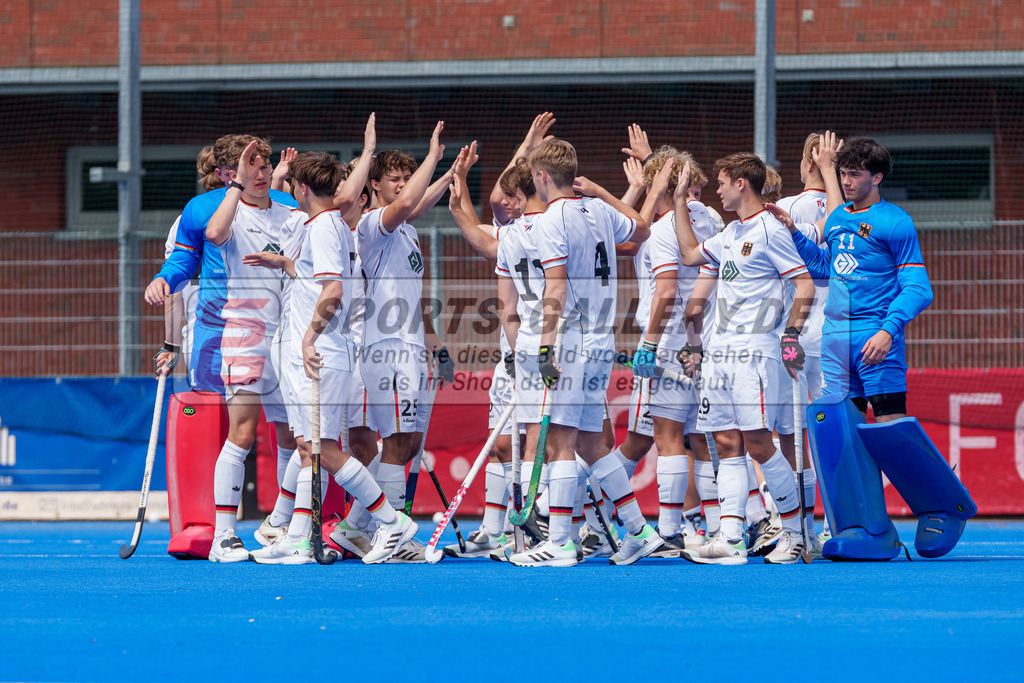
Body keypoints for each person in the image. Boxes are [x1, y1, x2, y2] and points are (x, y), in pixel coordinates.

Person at [769, 137, 973, 561]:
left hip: (877, 340)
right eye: (842, 173)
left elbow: (918, 288)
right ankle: (868, 529)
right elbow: (825, 271)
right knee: (837, 428)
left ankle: (945, 506)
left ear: (876, 177)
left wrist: (888, 330)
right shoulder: (838, 218)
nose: (845, 181)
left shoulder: (895, 222)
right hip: (834, 340)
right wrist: (793, 232)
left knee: (891, 429)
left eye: (854, 174)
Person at [247, 143, 419, 565]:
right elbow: (316, 275)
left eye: (290, 183)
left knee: (325, 449)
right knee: (310, 448)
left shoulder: (325, 226)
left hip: (320, 351)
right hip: (323, 351)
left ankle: (391, 522)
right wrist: (284, 264)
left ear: (303, 187)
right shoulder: (328, 224)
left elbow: (333, 290)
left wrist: (307, 338)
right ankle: (301, 536)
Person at [505, 138, 662, 567]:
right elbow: (642, 229)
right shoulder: (598, 208)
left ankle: (559, 542)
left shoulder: (552, 219)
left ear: (540, 177)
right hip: (601, 340)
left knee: (560, 442)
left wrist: (544, 345)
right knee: (592, 443)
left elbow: (554, 285)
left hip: (570, 341)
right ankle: (639, 529)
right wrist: (607, 193)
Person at [670, 152, 816, 565]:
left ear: (741, 184)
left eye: (721, 182)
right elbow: (689, 255)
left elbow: (803, 285)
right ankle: (731, 538)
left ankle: (794, 532)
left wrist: (790, 335)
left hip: (756, 352)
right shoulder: (731, 232)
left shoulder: (770, 229)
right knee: (726, 443)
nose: (716, 190)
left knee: (759, 444)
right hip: (719, 355)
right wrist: (680, 198)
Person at [355, 122, 455, 563]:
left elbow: (413, 302)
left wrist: (451, 174)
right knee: (395, 441)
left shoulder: (409, 233)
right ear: (373, 185)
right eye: (392, 178)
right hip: (385, 352)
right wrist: (434, 158)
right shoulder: (374, 226)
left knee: (409, 445)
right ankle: (389, 533)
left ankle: (359, 526)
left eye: (405, 176)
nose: (400, 184)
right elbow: (412, 200)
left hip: (412, 349)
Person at [631, 146, 716, 555]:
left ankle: (667, 531)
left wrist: (648, 344)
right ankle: (721, 528)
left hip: (669, 345)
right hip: (708, 341)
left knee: (665, 437)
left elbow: (665, 292)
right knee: (704, 440)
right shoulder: (713, 217)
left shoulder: (663, 230)